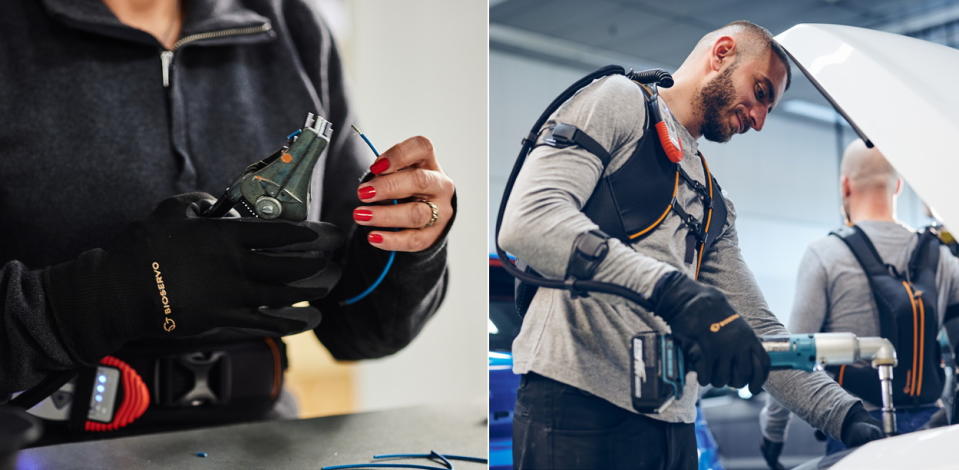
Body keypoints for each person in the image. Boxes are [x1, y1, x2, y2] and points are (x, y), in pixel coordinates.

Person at [0, 0, 455, 439]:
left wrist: (410, 241)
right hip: (45, 443)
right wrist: (114, 293)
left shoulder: (294, 26)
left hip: (262, 441)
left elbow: (365, 334)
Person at [499, 21, 883, 469]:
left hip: (674, 428)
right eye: (760, 92)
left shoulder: (711, 200)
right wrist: (675, 291)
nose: (759, 120)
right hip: (577, 412)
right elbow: (529, 221)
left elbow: (759, 331)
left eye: (769, 109)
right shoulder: (618, 100)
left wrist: (846, 415)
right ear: (721, 53)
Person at [759, 140, 959, 467]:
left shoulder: (825, 255)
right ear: (897, 186)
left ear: (846, 185)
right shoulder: (943, 259)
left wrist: (773, 433)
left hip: (855, 428)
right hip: (931, 430)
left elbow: (790, 356)